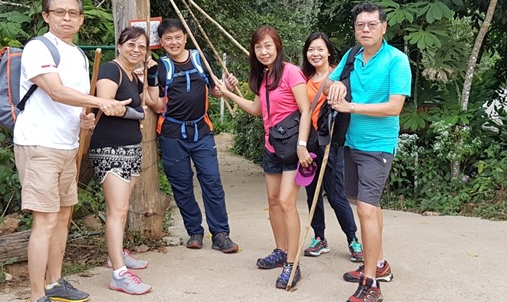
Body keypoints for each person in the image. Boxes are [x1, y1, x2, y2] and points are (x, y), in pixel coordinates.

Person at [13, 0, 130, 302]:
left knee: (64, 216)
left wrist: (85, 119)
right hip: (39, 144)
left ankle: (55, 282)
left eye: (72, 13)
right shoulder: (38, 48)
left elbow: (73, 104)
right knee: (45, 219)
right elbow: (55, 91)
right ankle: (38, 295)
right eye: (59, 12)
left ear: (80, 19)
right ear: (46, 16)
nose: (66, 18)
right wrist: (102, 103)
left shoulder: (77, 55)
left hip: (67, 145)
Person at [324, 2, 411, 302]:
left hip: (378, 147)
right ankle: (381, 263)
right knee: (369, 207)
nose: (365, 29)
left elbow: (394, 107)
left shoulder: (396, 61)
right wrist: (335, 88)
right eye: (360, 25)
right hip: (350, 142)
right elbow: (326, 84)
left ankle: (372, 283)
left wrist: (352, 106)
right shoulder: (351, 56)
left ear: (384, 27)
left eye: (372, 24)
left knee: (365, 208)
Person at [215, 26, 313, 290]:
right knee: (272, 201)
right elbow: (258, 109)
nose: (263, 51)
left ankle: (293, 263)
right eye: (258, 47)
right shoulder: (262, 77)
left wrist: (303, 145)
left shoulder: (291, 72)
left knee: (286, 202)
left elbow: (306, 110)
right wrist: (228, 94)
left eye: (268, 46)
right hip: (272, 147)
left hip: (293, 148)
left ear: (277, 47)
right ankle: (281, 251)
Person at [144, 19, 239, 254]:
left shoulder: (199, 58)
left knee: (212, 182)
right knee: (182, 186)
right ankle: (194, 231)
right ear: (162, 42)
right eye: (168, 38)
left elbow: (216, 92)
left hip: (202, 132)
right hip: (172, 134)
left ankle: (220, 234)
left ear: (185, 37)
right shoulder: (160, 67)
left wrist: (224, 85)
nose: (174, 42)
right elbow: (155, 104)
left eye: (178, 37)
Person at [89, 27, 151, 295]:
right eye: (131, 44)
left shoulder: (133, 76)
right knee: (118, 210)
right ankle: (118, 273)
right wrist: (136, 114)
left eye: (142, 46)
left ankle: (117, 254)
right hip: (109, 147)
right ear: (120, 44)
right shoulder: (111, 70)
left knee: (122, 208)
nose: (136, 50)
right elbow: (106, 102)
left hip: (131, 147)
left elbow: (149, 103)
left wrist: (152, 74)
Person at [301, 32, 364, 262]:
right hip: (310, 141)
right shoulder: (304, 79)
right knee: (312, 194)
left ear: (328, 51)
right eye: (310, 50)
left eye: (319, 49)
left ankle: (353, 239)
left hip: (332, 143)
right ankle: (319, 238)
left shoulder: (339, 77)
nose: (315, 54)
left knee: (336, 193)